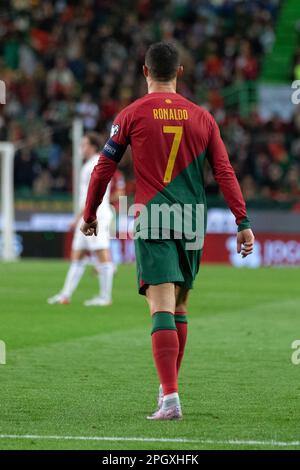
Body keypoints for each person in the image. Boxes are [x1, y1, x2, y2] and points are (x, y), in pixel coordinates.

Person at [80, 42, 255, 419]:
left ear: (145, 72)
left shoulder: (131, 114)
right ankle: (167, 391)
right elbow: (224, 172)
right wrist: (242, 221)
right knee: (179, 306)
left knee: (159, 306)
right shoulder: (203, 117)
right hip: (193, 218)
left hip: (154, 215)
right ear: (179, 73)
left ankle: (171, 400)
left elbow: (103, 168)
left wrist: (90, 212)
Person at [48, 132, 114, 307]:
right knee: (76, 254)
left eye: (84, 144)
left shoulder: (95, 164)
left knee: (101, 253)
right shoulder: (91, 164)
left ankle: (105, 297)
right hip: (88, 215)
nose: (81, 148)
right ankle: (65, 295)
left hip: (95, 214)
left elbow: (92, 196)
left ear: (92, 146)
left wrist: (78, 218)